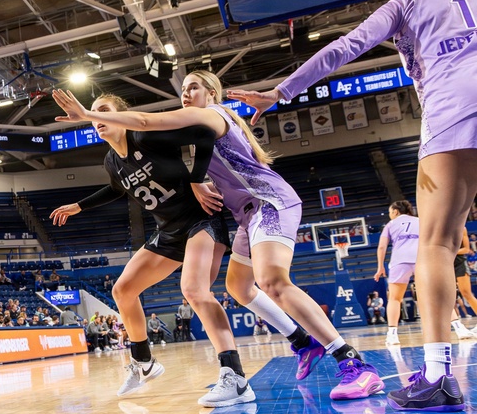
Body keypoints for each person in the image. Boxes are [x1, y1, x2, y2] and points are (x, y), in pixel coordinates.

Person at [229, 0, 477, 411]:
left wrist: (277, 92)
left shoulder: (408, 1)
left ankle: (438, 375)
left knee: (437, 243)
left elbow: (344, 48)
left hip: (455, 115)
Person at [110, 70, 375, 396]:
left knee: (273, 282)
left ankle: (352, 362)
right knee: (238, 286)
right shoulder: (201, 135)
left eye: (193, 87)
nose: (186, 93)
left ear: (211, 93)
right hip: (248, 217)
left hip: (269, 202)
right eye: (184, 89)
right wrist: (199, 182)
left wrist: (89, 115)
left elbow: (145, 122)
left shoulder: (212, 114)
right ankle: (302, 341)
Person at [50, 90, 252, 406]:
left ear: (119, 116)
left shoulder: (146, 137)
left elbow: (202, 134)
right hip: (169, 233)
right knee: (123, 290)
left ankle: (235, 376)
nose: (98, 118)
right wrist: (80, 205)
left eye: (103, 110)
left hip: (200, 220)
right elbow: (117, 187)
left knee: (195, 291)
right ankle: (144, 362)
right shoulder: (111, 161)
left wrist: (197, 179)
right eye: (94, 114)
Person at [374, 200, 421, 344]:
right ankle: (458, 327)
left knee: (394, 298)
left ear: (395, 211)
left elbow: (382, 247)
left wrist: (380, 267)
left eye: (390, 212)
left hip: (400, 261)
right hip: (421, 259)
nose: (389, 215)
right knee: (433, 296)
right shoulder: (420, 220)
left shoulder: (390, 224)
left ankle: (392, 335)